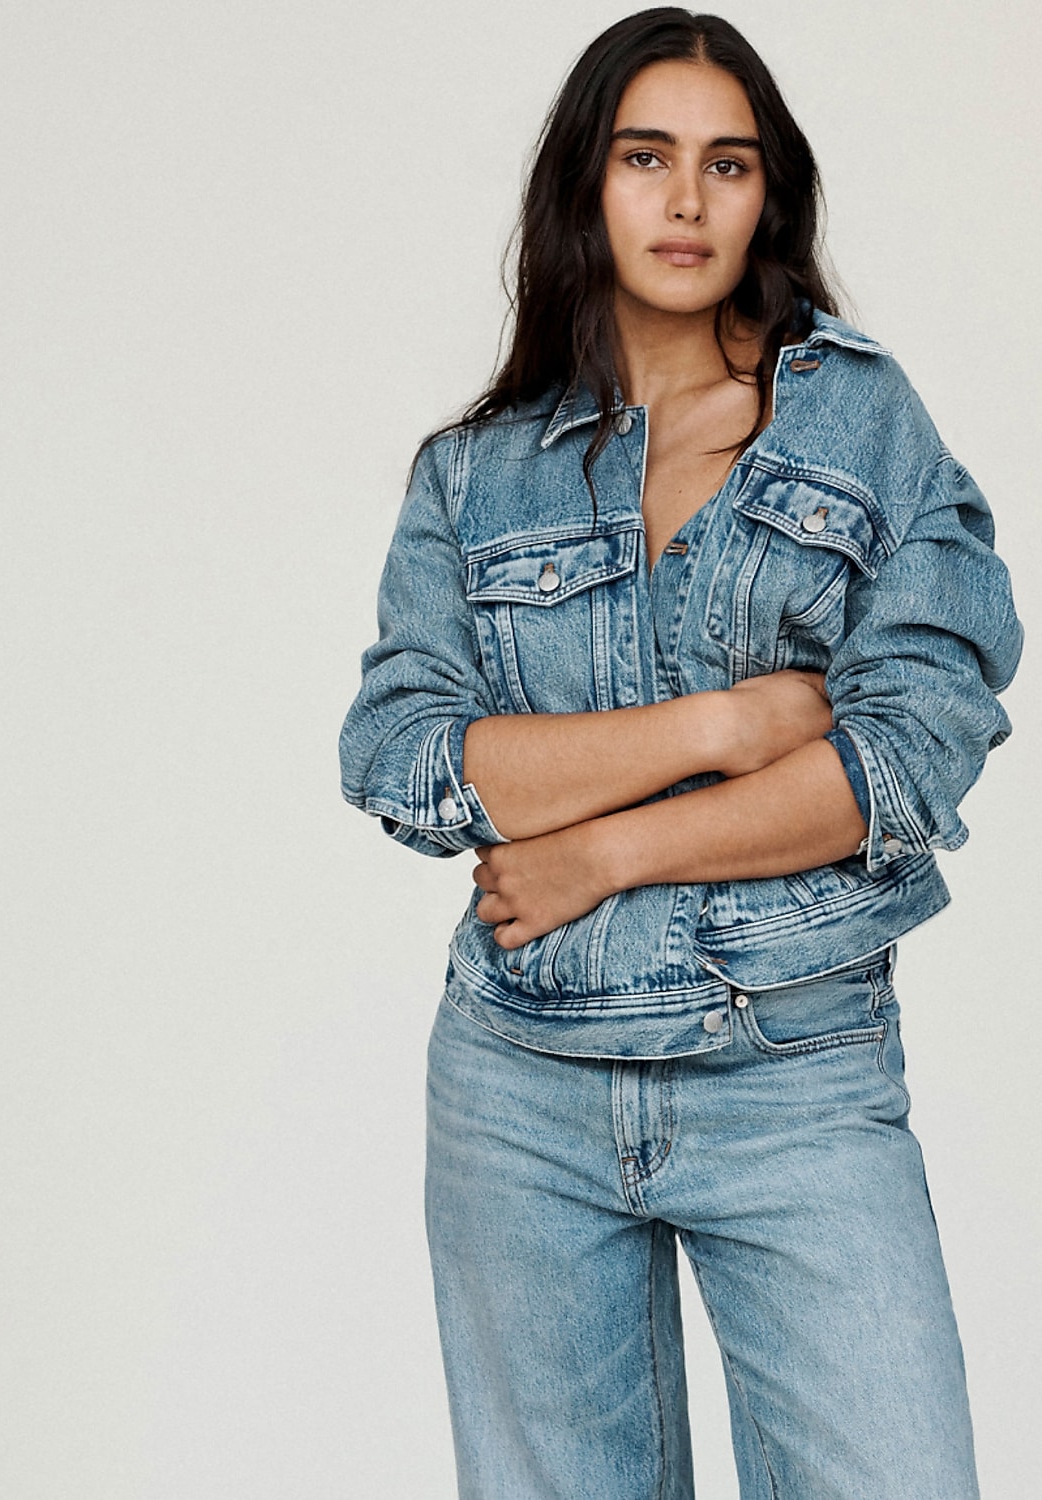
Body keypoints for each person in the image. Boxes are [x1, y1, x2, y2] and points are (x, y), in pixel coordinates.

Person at [338, 9, 1023, 1498]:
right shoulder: (472, 476)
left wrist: (601, 846)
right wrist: (727, 728)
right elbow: (405, 758)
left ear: (771, 194)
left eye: (730, 162)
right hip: (520, 1085)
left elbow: (902, 763)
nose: (689, 200)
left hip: (795, 1069)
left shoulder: (859, 427)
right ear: (590, 183)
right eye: (649, 158)